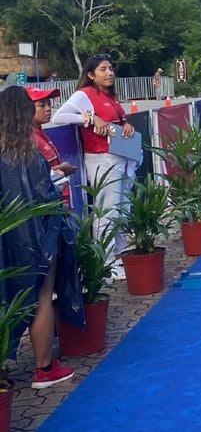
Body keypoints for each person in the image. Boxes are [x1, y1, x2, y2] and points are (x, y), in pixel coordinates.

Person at [0, 86, 84, 390]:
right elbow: (43, 195)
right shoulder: (28, 152)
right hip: (36, 238)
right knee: (41, 298)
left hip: (7, 238)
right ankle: (44, 368)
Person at [52, 53, 137, 280]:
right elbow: (60, 117)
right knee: (106, 211)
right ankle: (105, 264)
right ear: (90, 74)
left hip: (120, 155)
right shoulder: (85, 94)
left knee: (121, 209)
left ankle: (119, 255)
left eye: (110, 68)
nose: (109, 73)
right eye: (103, 69)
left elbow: (116, 122)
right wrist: (89, 119)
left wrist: (126, 126)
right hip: (101, 159)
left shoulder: (109, 95)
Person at [27, 87, 77, 206]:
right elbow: (31, 176)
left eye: (49, 104)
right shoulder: (26, 139)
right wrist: (63, 168)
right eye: (42, 105)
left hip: (57, 197)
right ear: (26, 108)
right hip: (48, 204)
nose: (48, 109)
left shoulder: (39, 132)